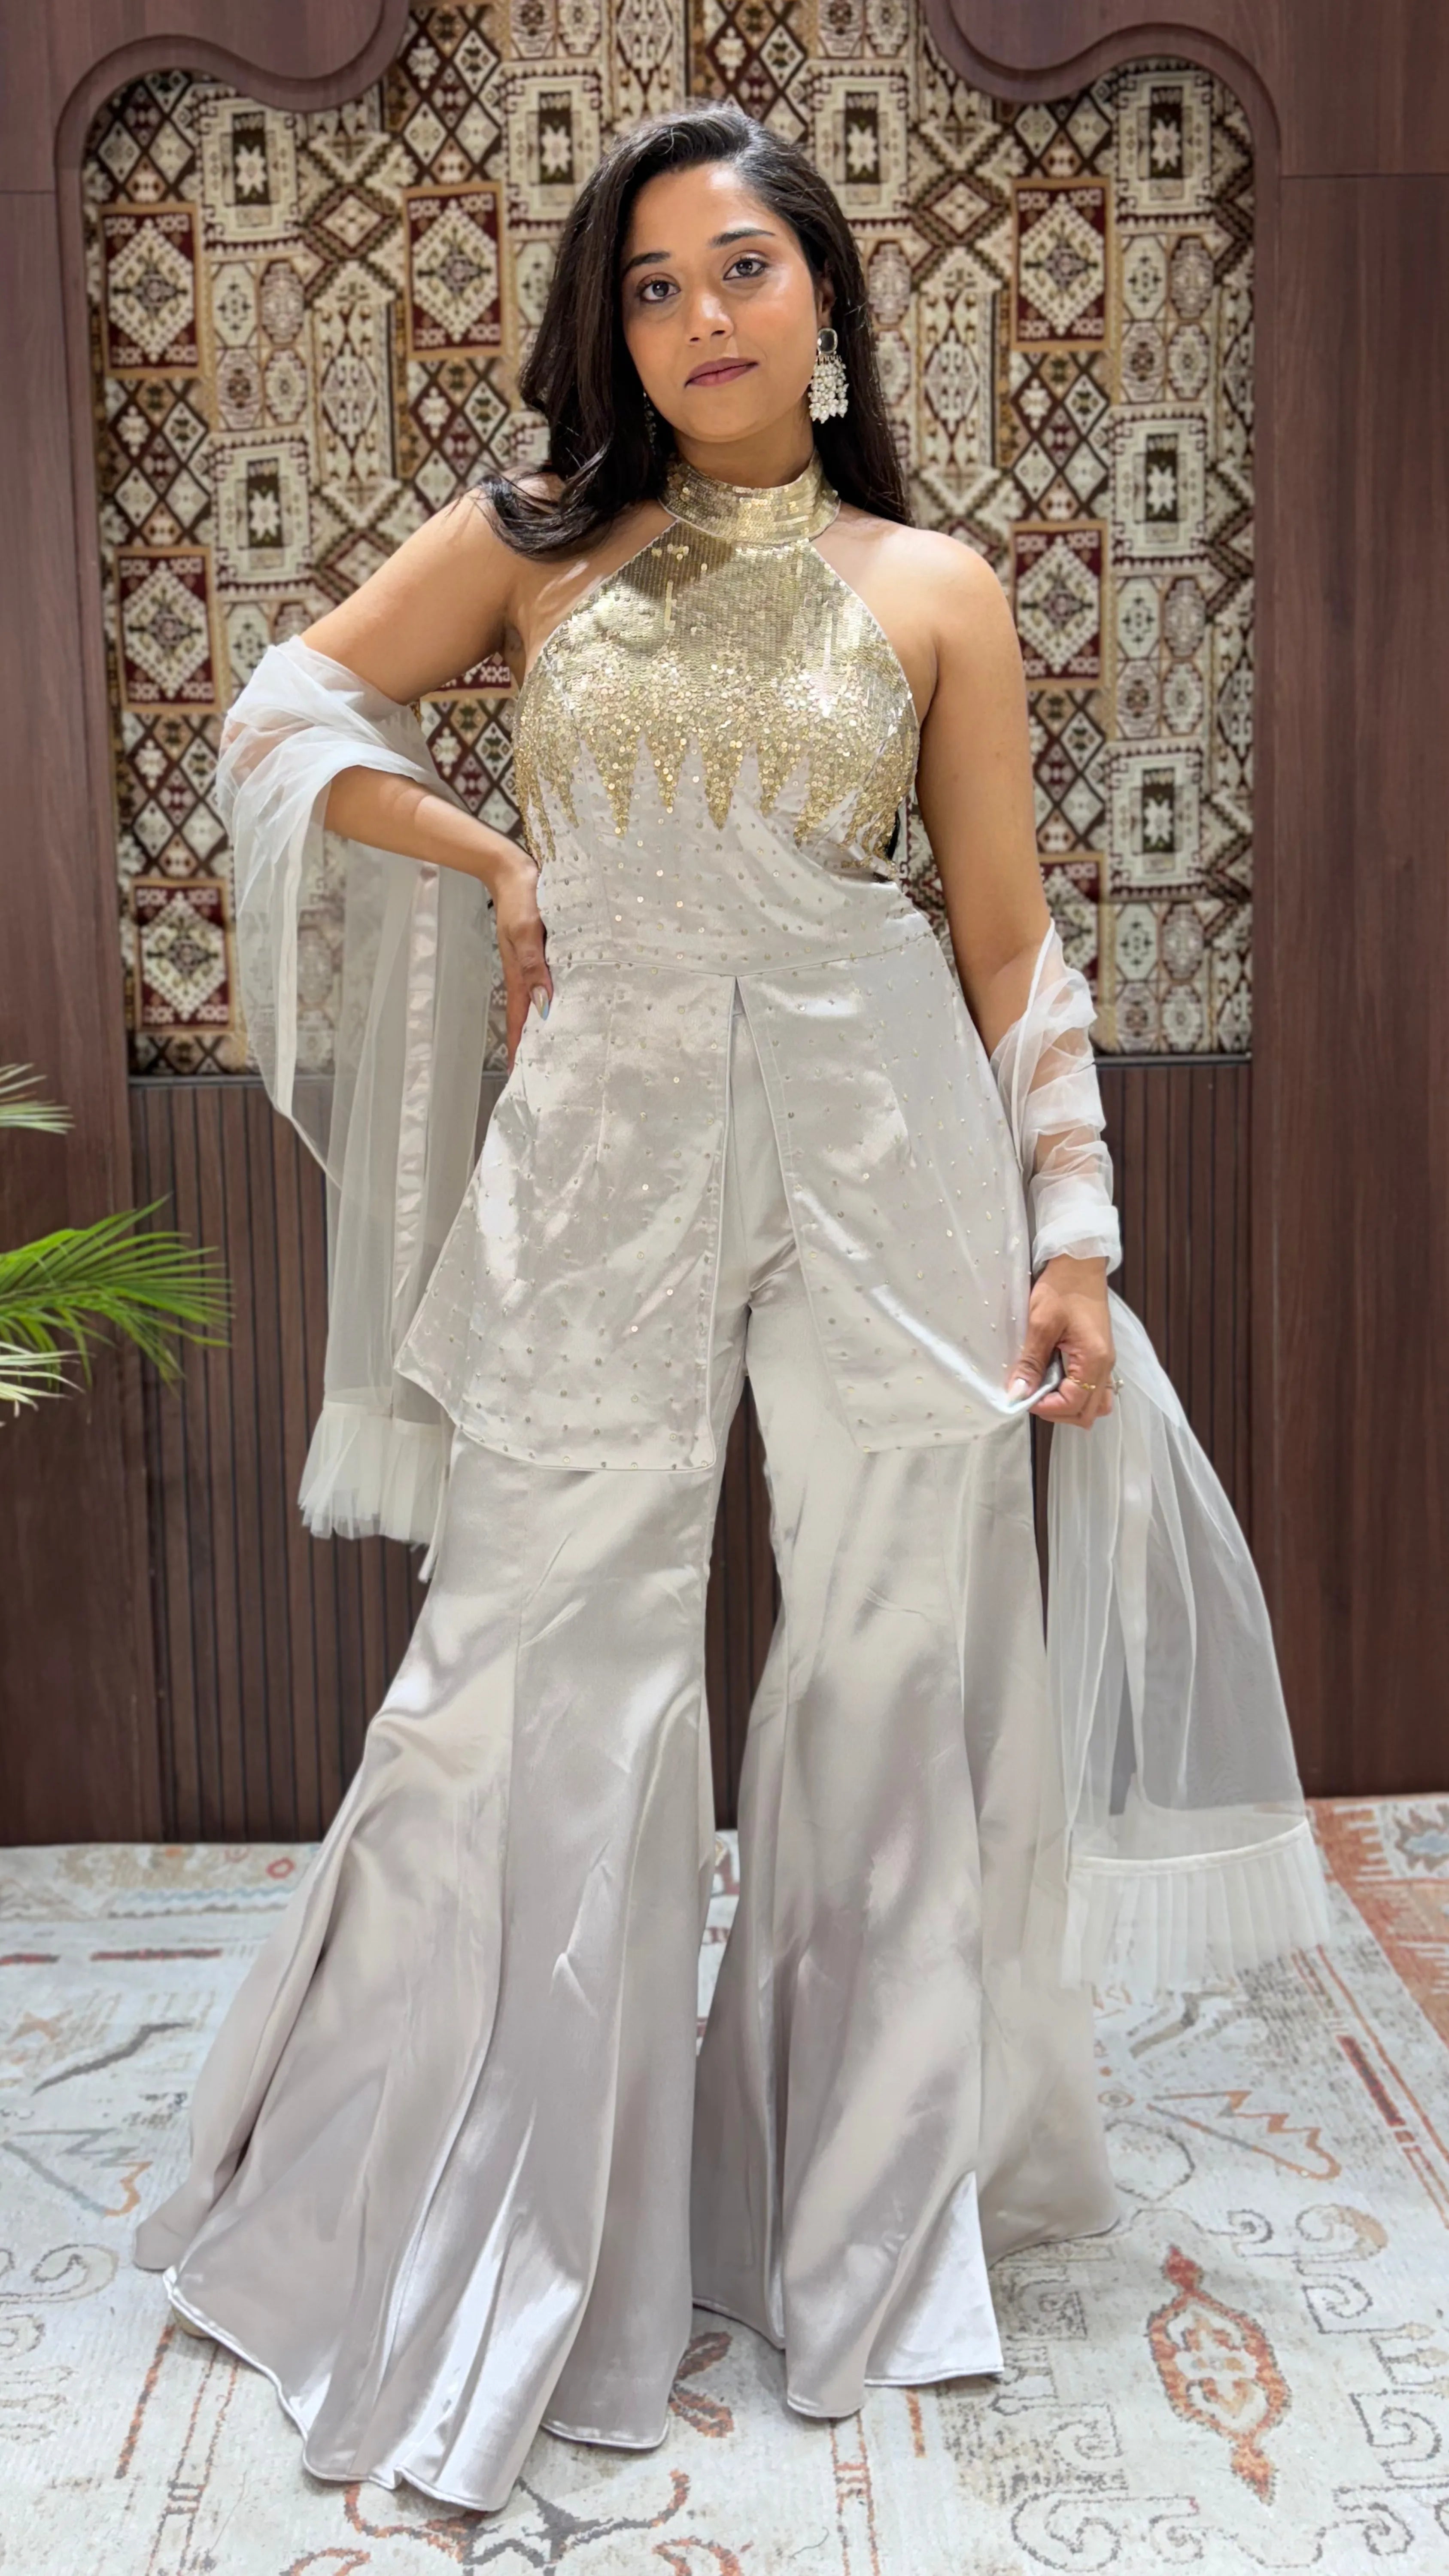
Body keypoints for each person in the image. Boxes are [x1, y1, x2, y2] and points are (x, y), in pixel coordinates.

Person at [132, 100, 1331, 2516]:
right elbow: (282, 714)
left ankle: (855, 2233)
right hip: (604, 1148)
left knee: (892, 1669)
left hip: (888, 1140)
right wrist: (491, 857)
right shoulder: (538, 541)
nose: (701, 317)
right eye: (655, 284)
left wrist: (1075, 1234)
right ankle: (482, 2214)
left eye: (744, 268)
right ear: (618, 325)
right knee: (530, 1667)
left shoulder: (935, 588)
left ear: (827, 295)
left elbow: (1007, 944)